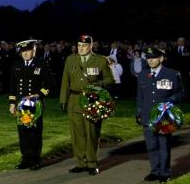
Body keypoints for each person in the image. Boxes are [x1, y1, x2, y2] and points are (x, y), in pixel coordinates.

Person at [59, 35, 114, 175]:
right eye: (79, 46)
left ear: (90, 46)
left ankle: (92, 163)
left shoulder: (101, 60)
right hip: (74, 99)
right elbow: (65, 80)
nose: (81, 48)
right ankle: (81, 162)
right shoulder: (71, 59)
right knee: (77, 133)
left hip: (92, 100)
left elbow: (110, 79)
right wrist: (63, 100)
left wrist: (96, 85)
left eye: (84, 46)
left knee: (92, 133)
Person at [135, 46, 184, 183]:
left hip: (165, 117)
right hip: (147, 115)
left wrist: (170, 101)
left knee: (164, 144)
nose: (150, 60)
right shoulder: (143, 75)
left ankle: (165, 172)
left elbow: (180, 93)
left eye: (154, 58)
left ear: (161, 58)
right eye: (148, 58)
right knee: (151, 145)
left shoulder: (172, 74)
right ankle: (155, 171)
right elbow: (140, 96)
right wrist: (138, 113)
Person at [7, 39, 53, 169]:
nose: (25, 54)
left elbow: (50, 83)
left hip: (35, 103)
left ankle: (35, 159)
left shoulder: (41, 63)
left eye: (27, 50)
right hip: (21, 104)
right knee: (23, 131)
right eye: (23, 51)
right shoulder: (16, 64)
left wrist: (39, 94)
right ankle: (25, 159)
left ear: (34, 50)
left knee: (35, 132)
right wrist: (12, 103)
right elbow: (12, 86)